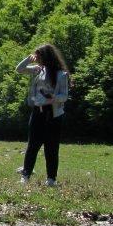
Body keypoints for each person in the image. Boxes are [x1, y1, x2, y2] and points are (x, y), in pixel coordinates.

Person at [15, 44, 70, 186]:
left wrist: (53, 98)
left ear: (47, 57)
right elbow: (19, 69)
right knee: (32, 145)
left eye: (39, 56)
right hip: (37, 112)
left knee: (51, 147)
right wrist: (28, 59)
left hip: (54, 114)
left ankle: (51, 179)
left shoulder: (61, 74)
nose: (37, 59)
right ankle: (25, 175)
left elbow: (64, 96)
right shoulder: (38, 70)